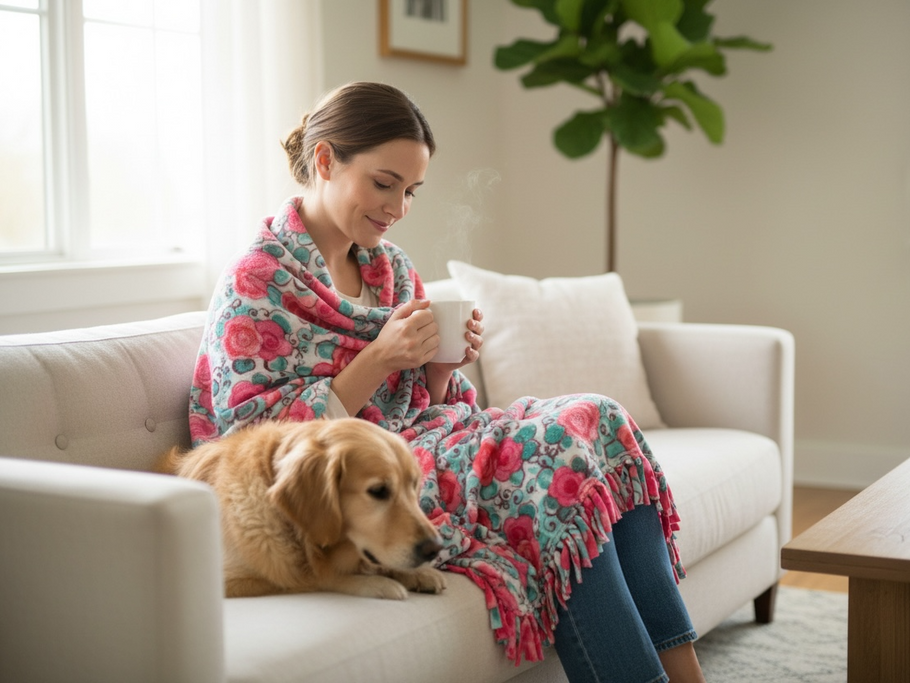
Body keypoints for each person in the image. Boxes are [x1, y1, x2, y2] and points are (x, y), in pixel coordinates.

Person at [188, 81, 706, 683]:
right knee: (552, 454)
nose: (398, 207)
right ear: (326, 160)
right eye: (384, 184)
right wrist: (380, 358)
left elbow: (427, 408)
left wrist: (436, 371)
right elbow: (258, 450)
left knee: (602, 417)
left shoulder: (390, 268)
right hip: (357, 489)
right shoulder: (258, 281)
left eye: (410, 191)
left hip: (423, 444)